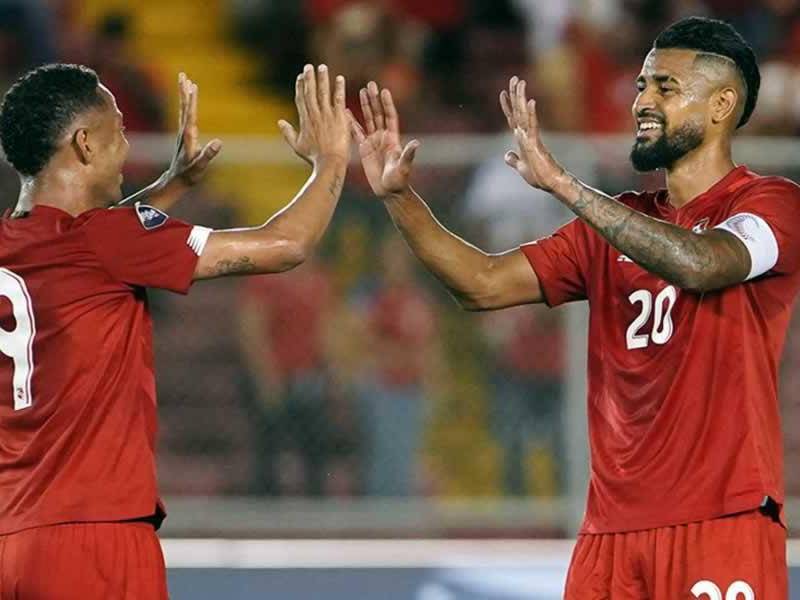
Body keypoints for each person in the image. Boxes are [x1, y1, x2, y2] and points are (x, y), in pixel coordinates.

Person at [349, 16, 797, 598]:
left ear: (721, 106)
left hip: (718, 519)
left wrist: (565, 186)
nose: (643, 102)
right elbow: (481, 283)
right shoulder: (612, 225)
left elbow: (703, 263)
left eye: (665, 87)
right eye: (641, 86)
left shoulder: (770, 204)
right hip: (609, 535)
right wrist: (400, 199)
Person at [0, 62, 350, 599]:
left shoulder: (16, 244)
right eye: (118, 130)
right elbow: (286, 244)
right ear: (85, 144)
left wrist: (172, 185)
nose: (128, 146)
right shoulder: (107, 241)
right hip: (94, 539)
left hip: (12, 540)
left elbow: (89, 248)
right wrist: (331, 160)